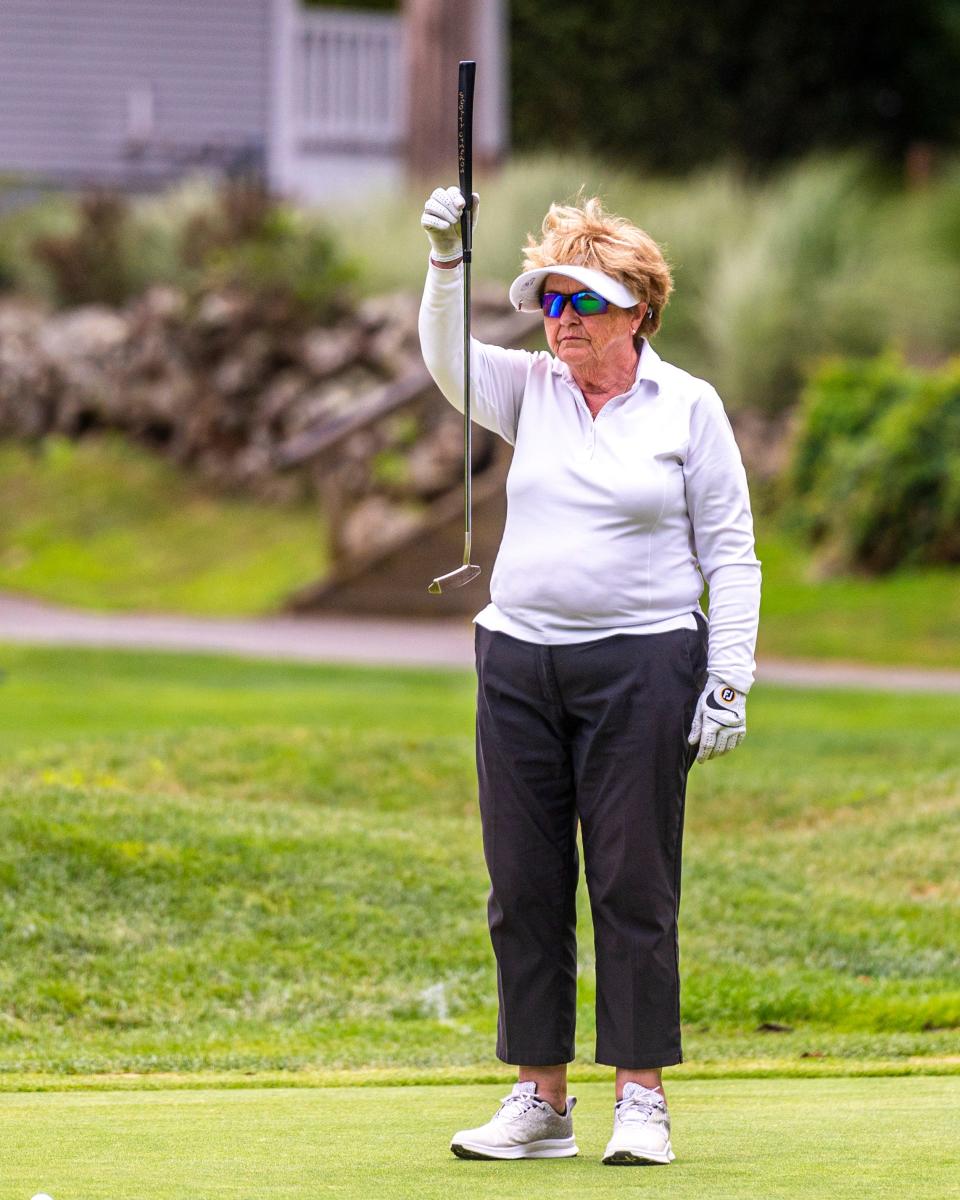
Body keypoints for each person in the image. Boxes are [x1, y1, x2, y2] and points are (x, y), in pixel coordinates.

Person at [418, 186, 761, 1166]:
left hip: (645, 662)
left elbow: (732, 554)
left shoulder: (688, 406)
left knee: (632, 881)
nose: (562, 321)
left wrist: (727, 678)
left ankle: (641, 1099)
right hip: (519, 662)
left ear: (639, 312)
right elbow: (445, 362)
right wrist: (447, 261)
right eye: (552, 303)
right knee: (523, 884)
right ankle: (541, 1100)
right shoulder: (531, 386)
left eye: (585, 304)